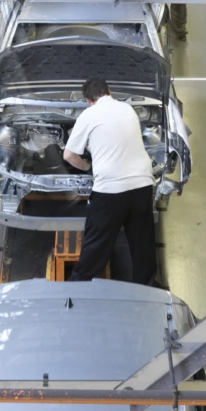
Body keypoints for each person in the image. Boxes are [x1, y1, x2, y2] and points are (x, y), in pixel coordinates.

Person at [63, 78, 157, 285]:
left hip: (110, 191)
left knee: (97, 245)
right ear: (109, 91)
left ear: (88, 100)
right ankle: (149, 289)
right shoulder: (128, 109)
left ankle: (78, 287)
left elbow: (69, 156)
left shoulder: (89, 114)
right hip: (142, 184)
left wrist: (88, 168)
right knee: (143, 244)